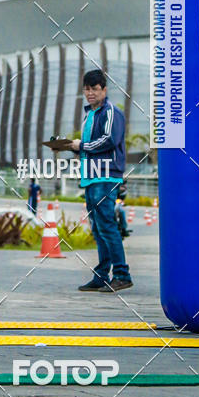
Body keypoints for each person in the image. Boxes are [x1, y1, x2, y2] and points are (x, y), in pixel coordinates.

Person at [67, 69, 133, 292]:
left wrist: (81, 146)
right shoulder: (90, 115)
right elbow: (91, 144)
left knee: (106, 225)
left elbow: (109, 140)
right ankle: (103, 274)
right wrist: (74, 147)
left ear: (104, 90)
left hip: (106, 175)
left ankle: (122, 274)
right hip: (92, 175)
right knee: (98, 227)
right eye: (87, 89)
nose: (90, 93)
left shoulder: (112, 112)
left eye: (95, 89)